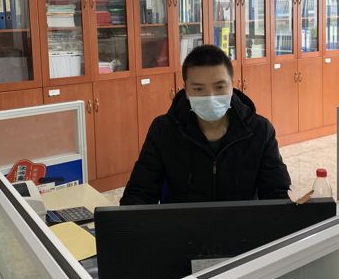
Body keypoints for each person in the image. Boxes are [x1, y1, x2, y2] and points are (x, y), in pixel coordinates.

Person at [120, 44, 291, 205]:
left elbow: (276, 193)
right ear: (186, 90)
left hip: (242, 223)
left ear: (232, 85)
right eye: (198, 89)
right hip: (183, 224)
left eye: (219, 87)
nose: (210, 97)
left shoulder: (260, 130)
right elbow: (139, 192)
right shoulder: (164, 130)